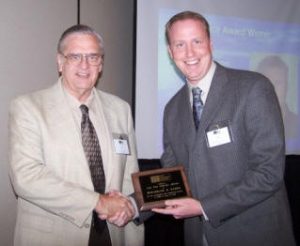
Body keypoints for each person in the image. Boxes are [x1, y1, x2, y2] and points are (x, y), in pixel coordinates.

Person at [152, 11, 296, 246]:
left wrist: (204, 207)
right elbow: (174, 173)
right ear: (170, 52)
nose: (189, 53)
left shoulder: (253, 88)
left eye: (197, 41)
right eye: (180, 44)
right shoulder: (172, 109)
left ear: (211, 43)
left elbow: (269, 172)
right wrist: (132, 205)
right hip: (199, 237)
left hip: (255, 234)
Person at [9, 25, 144, 246]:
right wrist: (97, 202)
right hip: (55, 236)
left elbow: (130, 174)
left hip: (113, 233)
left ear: (100, 65)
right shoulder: (28, 108)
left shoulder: (120, 110)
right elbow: (26, 177)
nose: (84, 65)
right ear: (60, 62)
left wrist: (128, 207)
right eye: (75, 57)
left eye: (92, 57)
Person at [256, 55, 298, 140]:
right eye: (267, 82)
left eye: (278, 82)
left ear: (287, 87)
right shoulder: (245, 124)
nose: (272, 88)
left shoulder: (298, 124)